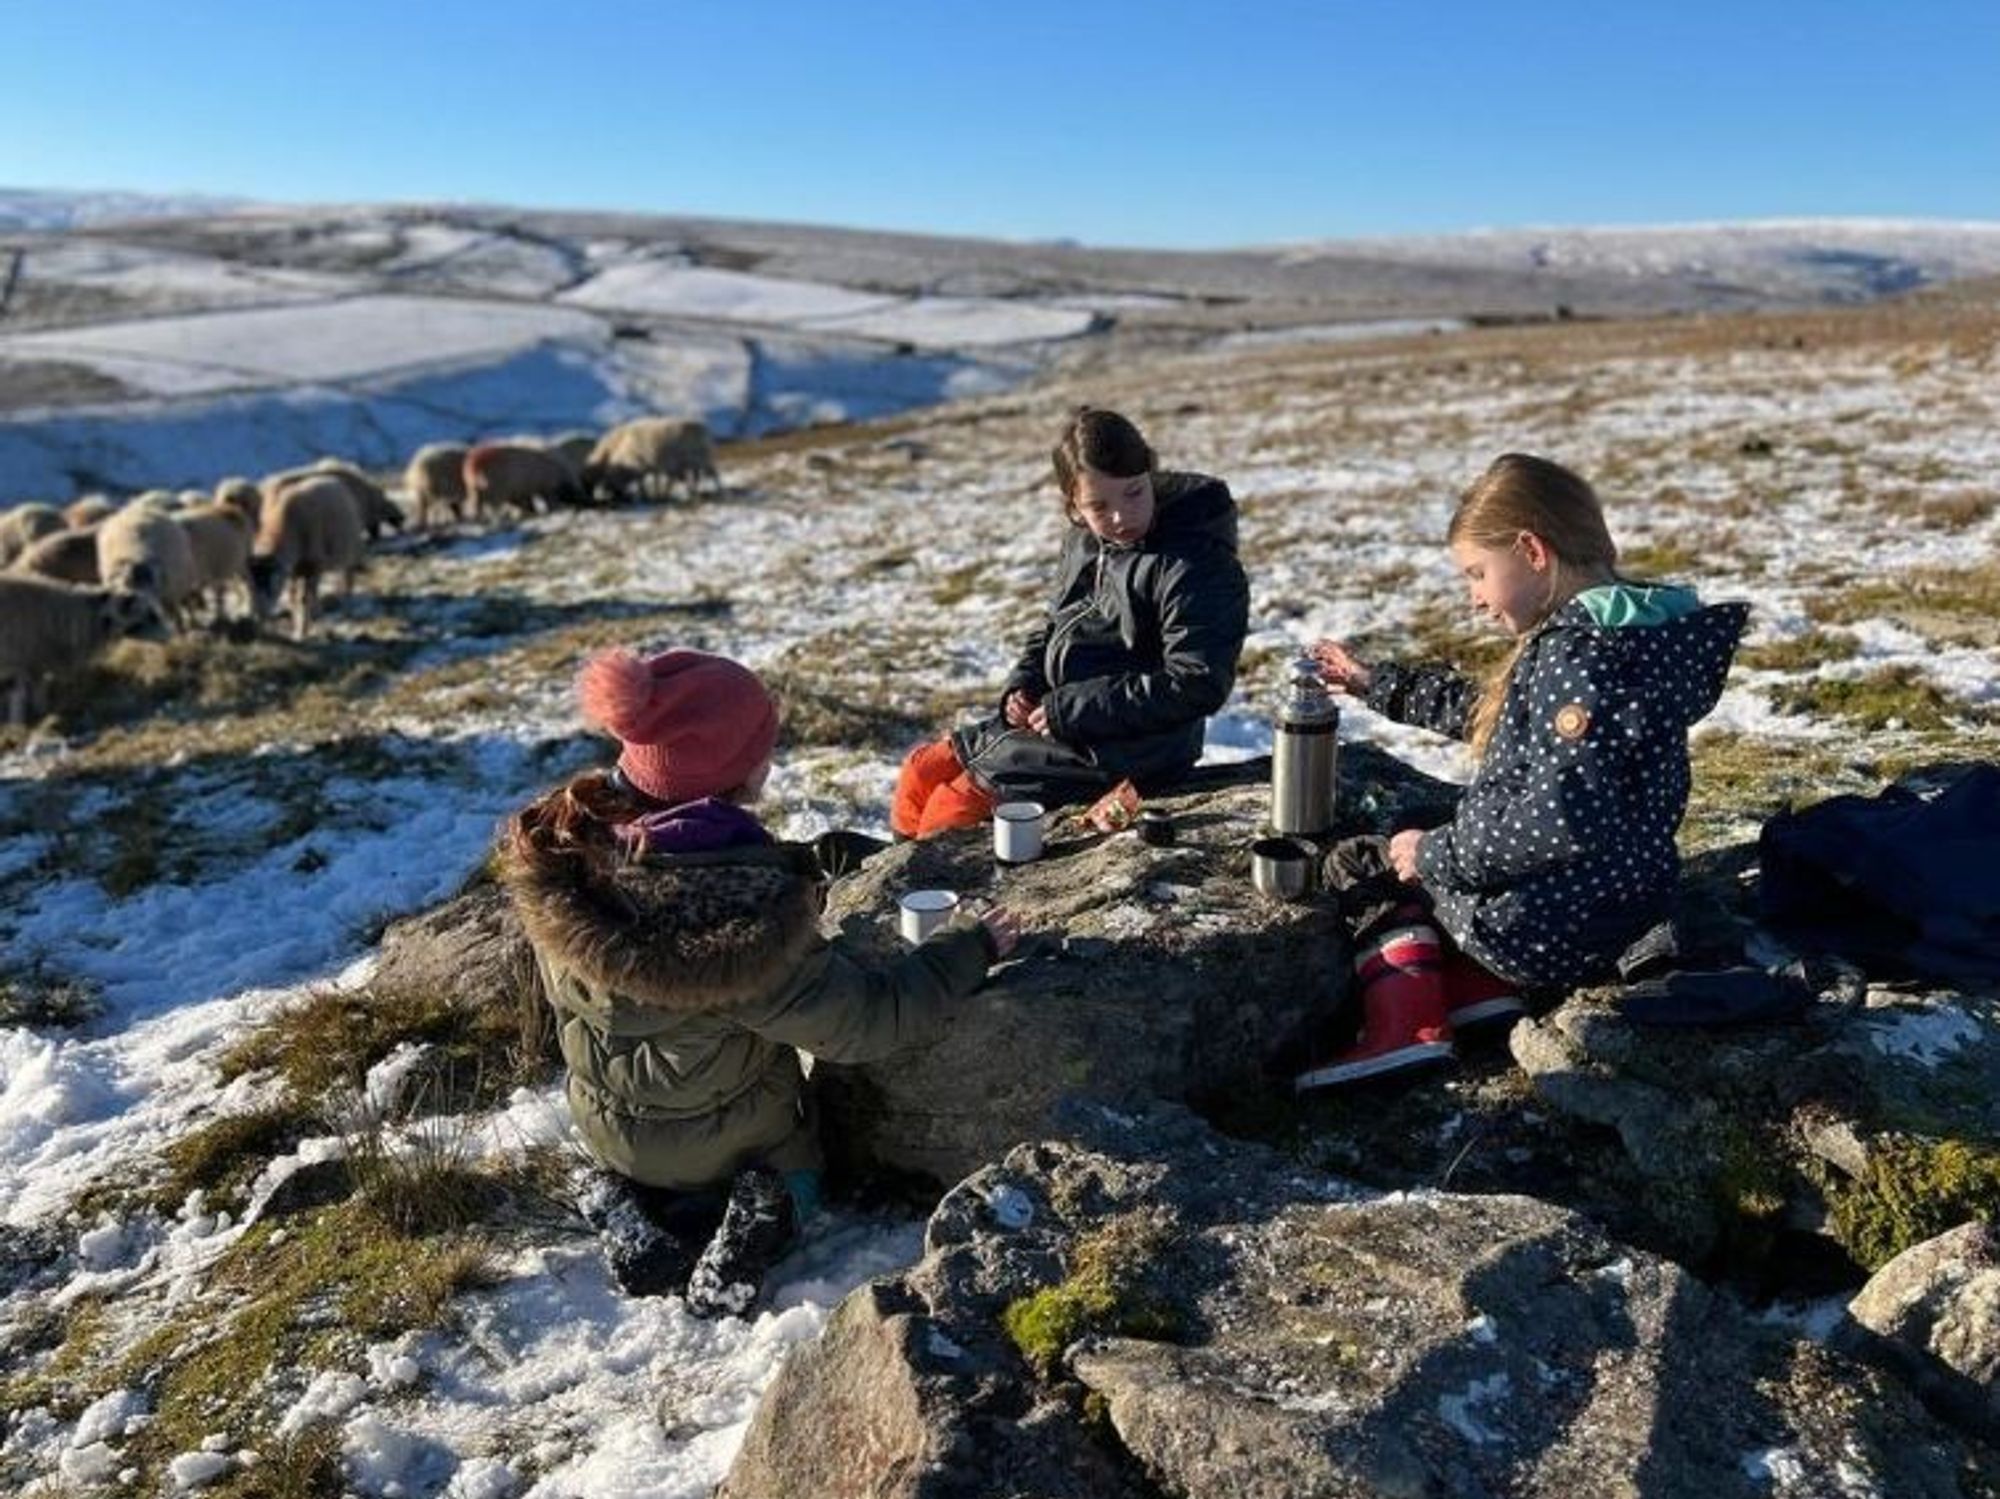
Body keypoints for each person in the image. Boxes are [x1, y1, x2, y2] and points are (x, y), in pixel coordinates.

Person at [497, 645, 1020, 1312]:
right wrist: (968, 948)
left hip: (614, 1129)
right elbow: (864, 1022)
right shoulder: (739, 923)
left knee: (641, 1125)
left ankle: (623, 1200)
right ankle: (766, 1215)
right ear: (740, 772)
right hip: (734, 1149)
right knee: (798, 1171)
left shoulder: (568, 855)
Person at [1297, 453, 1747, 1088]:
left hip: (1544, 927)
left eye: (1478, 574)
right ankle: (1481, 992)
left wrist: (1433, 856)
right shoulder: (1634, 635)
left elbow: (1556, 820)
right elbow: (1493, 716)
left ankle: (1407, 1027)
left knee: (1365, 860)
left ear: (1532, 551)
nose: (1475, 599)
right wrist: (1379, 685)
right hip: (1627, 896)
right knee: (1425, 821)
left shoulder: (1575, 655)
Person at [893, 406, 1251, 836]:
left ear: (1150, 474)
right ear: (1074, 506)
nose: (1120, 516)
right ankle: (899, 882)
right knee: (920, 771)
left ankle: (931, 894)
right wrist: (1022, 685)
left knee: (952, 807)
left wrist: (1071, 709)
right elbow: (1055, 625)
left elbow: (1198, 682)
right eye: (1099, 505)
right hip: (1066, 723)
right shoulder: (1085, 542)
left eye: (1134, 492)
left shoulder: (1196, 563)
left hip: (1136, 745)